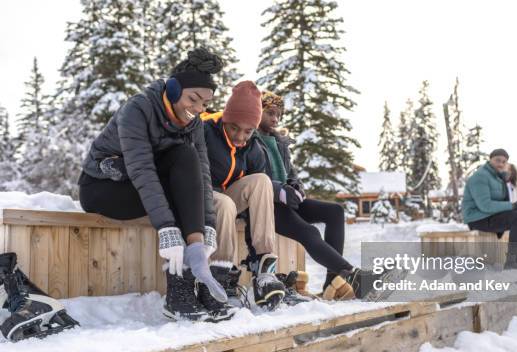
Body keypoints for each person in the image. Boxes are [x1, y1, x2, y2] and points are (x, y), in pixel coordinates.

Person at [79, 47, 235, 322]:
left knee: (187, 158)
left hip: (148, 184)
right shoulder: (137, 109)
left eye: (205, 104)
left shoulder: (193, 123)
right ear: (174, 90)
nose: (198, 109)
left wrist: (204, 230)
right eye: (193, 99)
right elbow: (142, 170)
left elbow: (202, 174)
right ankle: (178, 292)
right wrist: (167, 229)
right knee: (172, 183)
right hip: (105, 185)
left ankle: (193, 282)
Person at [251, 91, 374, 300]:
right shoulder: (250, 139)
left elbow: (290, 172)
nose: (275, 118)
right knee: (309, 232)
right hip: (267, 205)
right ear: (257, 111)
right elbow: (253, 176)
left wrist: (296, 186)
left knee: (335, 211)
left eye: (279, 114)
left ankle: (332, 282)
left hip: (287, 200)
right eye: (270, 112)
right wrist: (280, 191)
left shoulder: (279, 141)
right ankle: (354, 277)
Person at [200, 81, 286, 310]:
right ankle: (219, 274)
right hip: (198, 196)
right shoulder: (204, 131)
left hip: (225, 200)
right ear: (225, 120)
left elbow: (258, 203)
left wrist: (254, 250)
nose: (240, 137)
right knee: (226, 203)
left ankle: (264, 268)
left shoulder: (254, 147)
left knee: (261, 181)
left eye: (248, 131)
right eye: (234, 128)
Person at [462, 149, 517, 270]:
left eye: (504, 161)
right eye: (498, 160)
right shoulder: (480, 177)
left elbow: (504, 203)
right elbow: (485, 205)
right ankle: (511, 260)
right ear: (490, 160)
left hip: (491, 216)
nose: (501, 164)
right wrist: (513, 206)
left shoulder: (498, 178)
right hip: (477, 218)